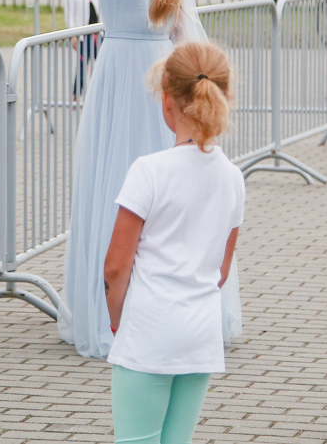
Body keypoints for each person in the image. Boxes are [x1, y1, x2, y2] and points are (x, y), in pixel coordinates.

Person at [59, 0, 230, 360]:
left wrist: (203, 87)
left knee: (173, 189)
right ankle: (112, 307)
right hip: (118, 81)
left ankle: (173, 303)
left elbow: (187, 30)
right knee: (118, 187)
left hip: (165, 83)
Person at [105, 42, 245, 444]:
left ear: (166, 100)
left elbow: (116, 267)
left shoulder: (149, 171)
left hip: (149, 327)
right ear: (224, 96)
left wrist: (117, 319)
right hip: (199, 333)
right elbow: (221, 269)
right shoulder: (233, 177)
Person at [65, 0, 101, 98]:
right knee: (82, 65)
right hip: (83, 35)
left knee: (101, 64)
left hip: (98, 34)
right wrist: (73, 35)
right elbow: (70, 17)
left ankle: (98, 93)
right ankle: (76, 94)